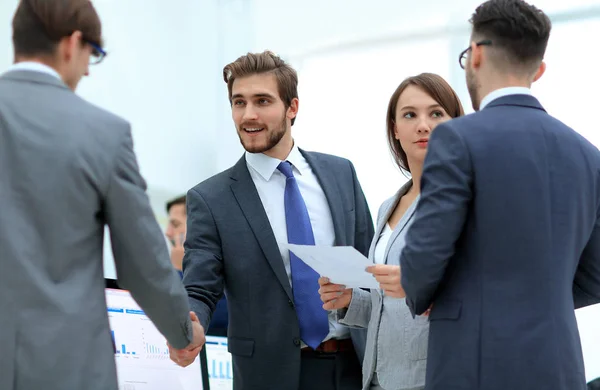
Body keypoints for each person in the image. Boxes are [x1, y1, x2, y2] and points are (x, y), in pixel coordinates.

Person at [0, 1, 204, 389]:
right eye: (92, 55)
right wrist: (182, 332)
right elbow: (143, 263)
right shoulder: (102, 134)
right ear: (72, 43)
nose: (86, 70)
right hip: (65, 368)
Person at [398, 0, 600, 389]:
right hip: (560, 367)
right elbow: (596, 274)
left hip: (474, 366)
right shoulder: (588, 155)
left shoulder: (457, 138)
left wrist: (430, 295)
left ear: (475, 55)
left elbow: (424, 258)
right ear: (538, 69)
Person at [170, 50, 374, 390]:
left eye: (262, 101)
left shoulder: (341, 174)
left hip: (352, 367)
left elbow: (369, 267)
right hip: (266, 376)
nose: (248, 115)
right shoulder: (211, 198)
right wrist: (191, 324)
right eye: (239, 102)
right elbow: (200, 290)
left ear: (292, 108)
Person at [318, 73, 464, 390]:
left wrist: (420, 285)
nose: (423, 125)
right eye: (410, 115)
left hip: (434, 376)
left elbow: (478, 293)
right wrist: (349, 300)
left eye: (436, 113)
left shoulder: (466, 201)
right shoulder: (389, 205)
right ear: (395, 129)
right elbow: (388, 304)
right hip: (378, 376)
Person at [165, 195, 229, 335]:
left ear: (199, 227)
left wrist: (180, 271)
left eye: (175, 225)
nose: (168, 232)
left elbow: (202, 321)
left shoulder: (225, 268)